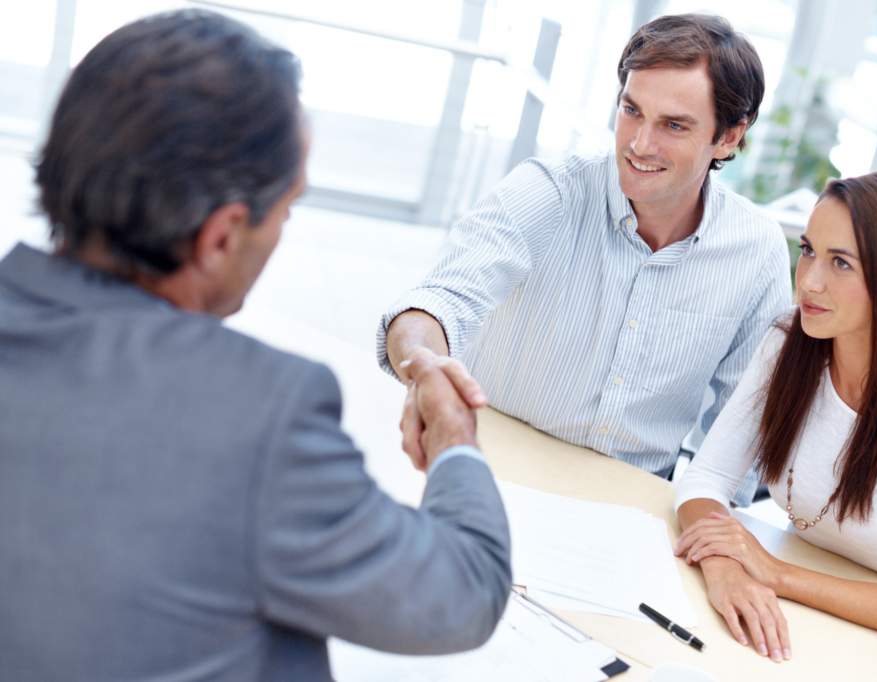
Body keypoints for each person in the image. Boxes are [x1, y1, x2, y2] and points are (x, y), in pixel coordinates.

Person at [0, 11, 511, 682]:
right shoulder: (255, 412)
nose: (285, 227)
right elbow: (462, 595)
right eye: (286, 206)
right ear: (220, 237)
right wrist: (453, 435)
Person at [379, 14, 791, 505]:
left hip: (629, 506)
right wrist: (424, 361)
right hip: (489, 474)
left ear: (728, 137)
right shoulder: (546, 192)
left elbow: (741, 428)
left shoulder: (757, 249)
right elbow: (437, 302)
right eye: (631, 110)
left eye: (673, 125)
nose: (639, 144)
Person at [673, 171, 877, 662]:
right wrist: (725, 568)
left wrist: (777, 574)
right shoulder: (790, 339)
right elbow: (708, 476)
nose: (808, 279)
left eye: (841, 263)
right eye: (808, 250)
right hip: (796, 618)